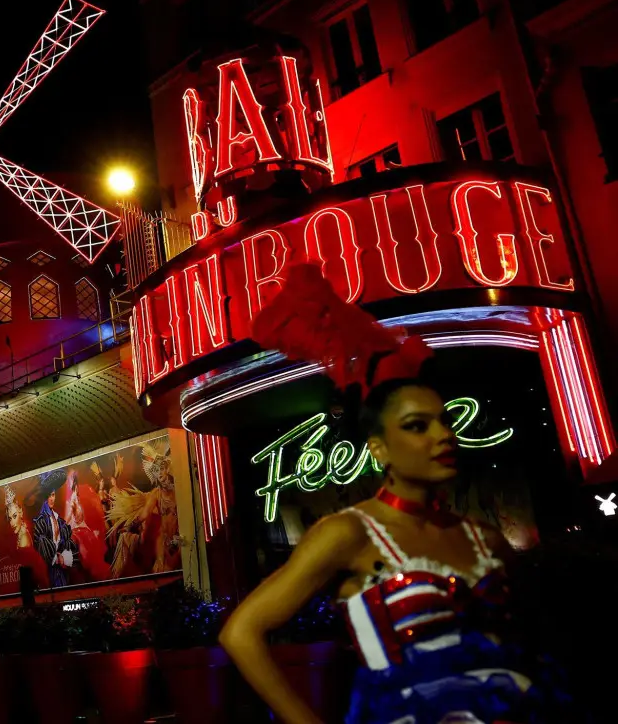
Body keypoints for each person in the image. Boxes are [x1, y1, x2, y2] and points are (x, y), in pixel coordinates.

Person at [219, 264, 564, 724]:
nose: (443, 435)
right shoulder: (350, 532)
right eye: (416, 426)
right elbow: (242, 632)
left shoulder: (486, 538)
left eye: (444, 420)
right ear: (378, 447)